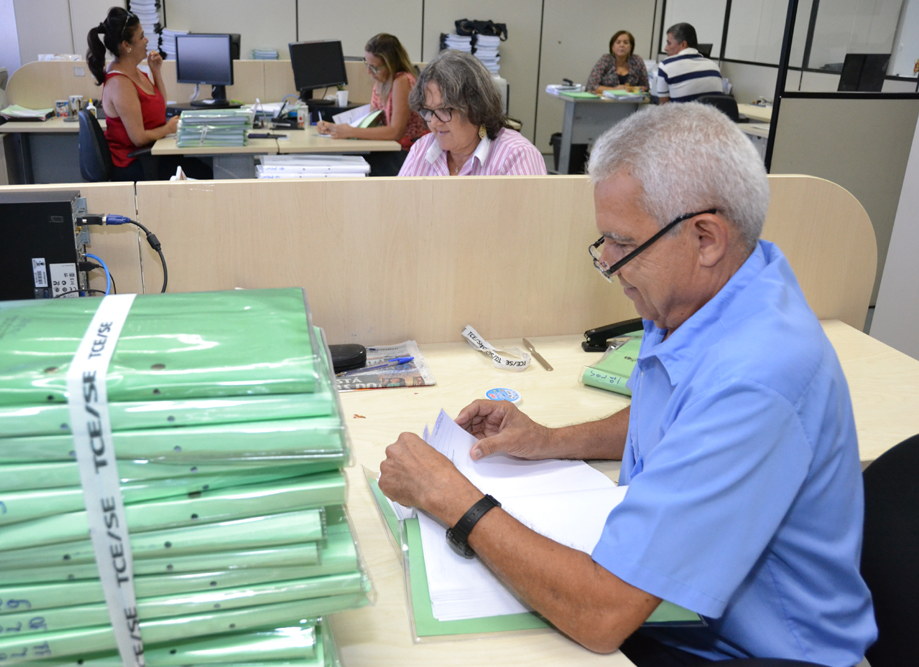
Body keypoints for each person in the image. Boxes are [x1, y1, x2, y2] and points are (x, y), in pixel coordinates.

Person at [379, 103, 876, 666]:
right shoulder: (715, 294)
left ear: (706, 238)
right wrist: (550, 440)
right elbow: (680, 416)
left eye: (621, 243)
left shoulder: (757, 375)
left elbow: (602, 615)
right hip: (679, 621)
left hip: (758, 654)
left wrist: (454, 500)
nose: (609, 265)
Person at [86, 8, 211, 181]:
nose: (146, 41)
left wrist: (156, 72)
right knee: (205, 172)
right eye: (141, 36)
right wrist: (168, 129)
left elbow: (159, 105)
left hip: (153, 154)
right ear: (126, 45)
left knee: (202, 166)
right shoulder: (120, 83)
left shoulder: (133, 71)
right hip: (136, 163)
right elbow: (138, 138)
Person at [398, 50, 546, 177]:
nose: (435, 123)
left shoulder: (516, 156)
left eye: (444, 110)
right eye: (428, 111)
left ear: (476, 107)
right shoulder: (422, 149)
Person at [316, 34, 428, 177]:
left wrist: (350, 131)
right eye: (368, 65)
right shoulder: (380, 83)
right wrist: (334, 128)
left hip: (407, 154)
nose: (369, 72)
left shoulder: (402, 81)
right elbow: (371, 123)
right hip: (390, 149)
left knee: (349, 167)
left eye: (374, 68)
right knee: (345, 162)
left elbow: (396, 132)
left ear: (390, 65)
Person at [655, 22, 723, 104]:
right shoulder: (714, 67)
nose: (665, 48)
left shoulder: (666, 66)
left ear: (683, 44)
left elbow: (664, 107)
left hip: (682, 116)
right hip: (710, 116)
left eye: (669, 43)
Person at [585, 30, 649, 94]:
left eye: (626, 42)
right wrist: (614, 89)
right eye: (618, 42)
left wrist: (632, 89)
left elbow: (645, 87)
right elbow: (591, 86)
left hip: (631, 102)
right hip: (606, 102)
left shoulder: (637, 61)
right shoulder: (605, 60)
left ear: (631, 47)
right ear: (612, 46)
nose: (622, 45)